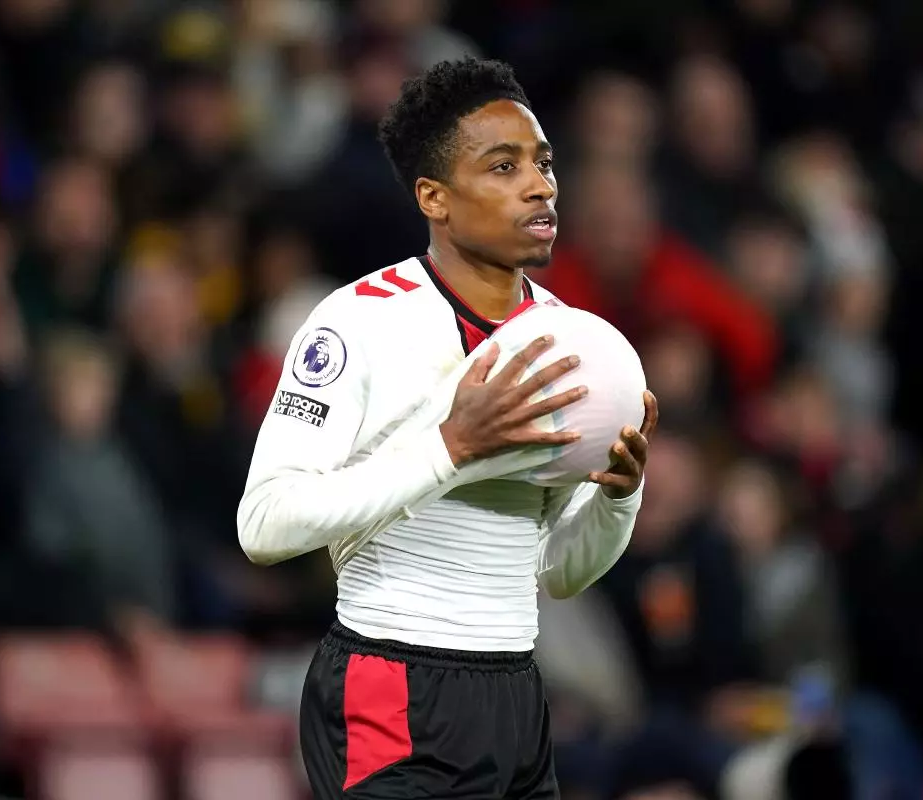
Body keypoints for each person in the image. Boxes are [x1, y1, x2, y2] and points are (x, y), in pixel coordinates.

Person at [237, 57, 659, 799]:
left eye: (544, 162)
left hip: (517, 691)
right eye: (504, 166)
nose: (540, 185)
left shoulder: (568, 342)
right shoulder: (359, 320)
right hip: (391, 680)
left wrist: (619, 498)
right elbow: (265, 525)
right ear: (434, 196)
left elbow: (559, 573)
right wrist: (449, 448)